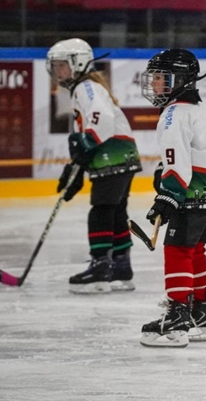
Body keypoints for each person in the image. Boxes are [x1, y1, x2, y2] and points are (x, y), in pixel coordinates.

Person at [139, 49, 206, 347]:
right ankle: (202, 315)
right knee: (196, 250)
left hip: (192, 193)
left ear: (181, 80)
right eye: (154, 78)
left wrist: (167, 197)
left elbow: (178, 164)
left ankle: (178, 319)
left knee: (178, 250)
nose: (155, 85)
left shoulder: (173, 114)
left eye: (162, 79)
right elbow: (192, 154)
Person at [46, 38, 142, 294]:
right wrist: (77, 164)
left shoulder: (85, 87)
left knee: (101, 210)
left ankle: (100, 269)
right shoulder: (87, 87)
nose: (57, 71)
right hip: (121, 154)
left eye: (61, 65)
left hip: (112, 153)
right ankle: (121, 268)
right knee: (115, 210)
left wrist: (82, 152)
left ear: (77, 63)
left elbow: (102, 119)